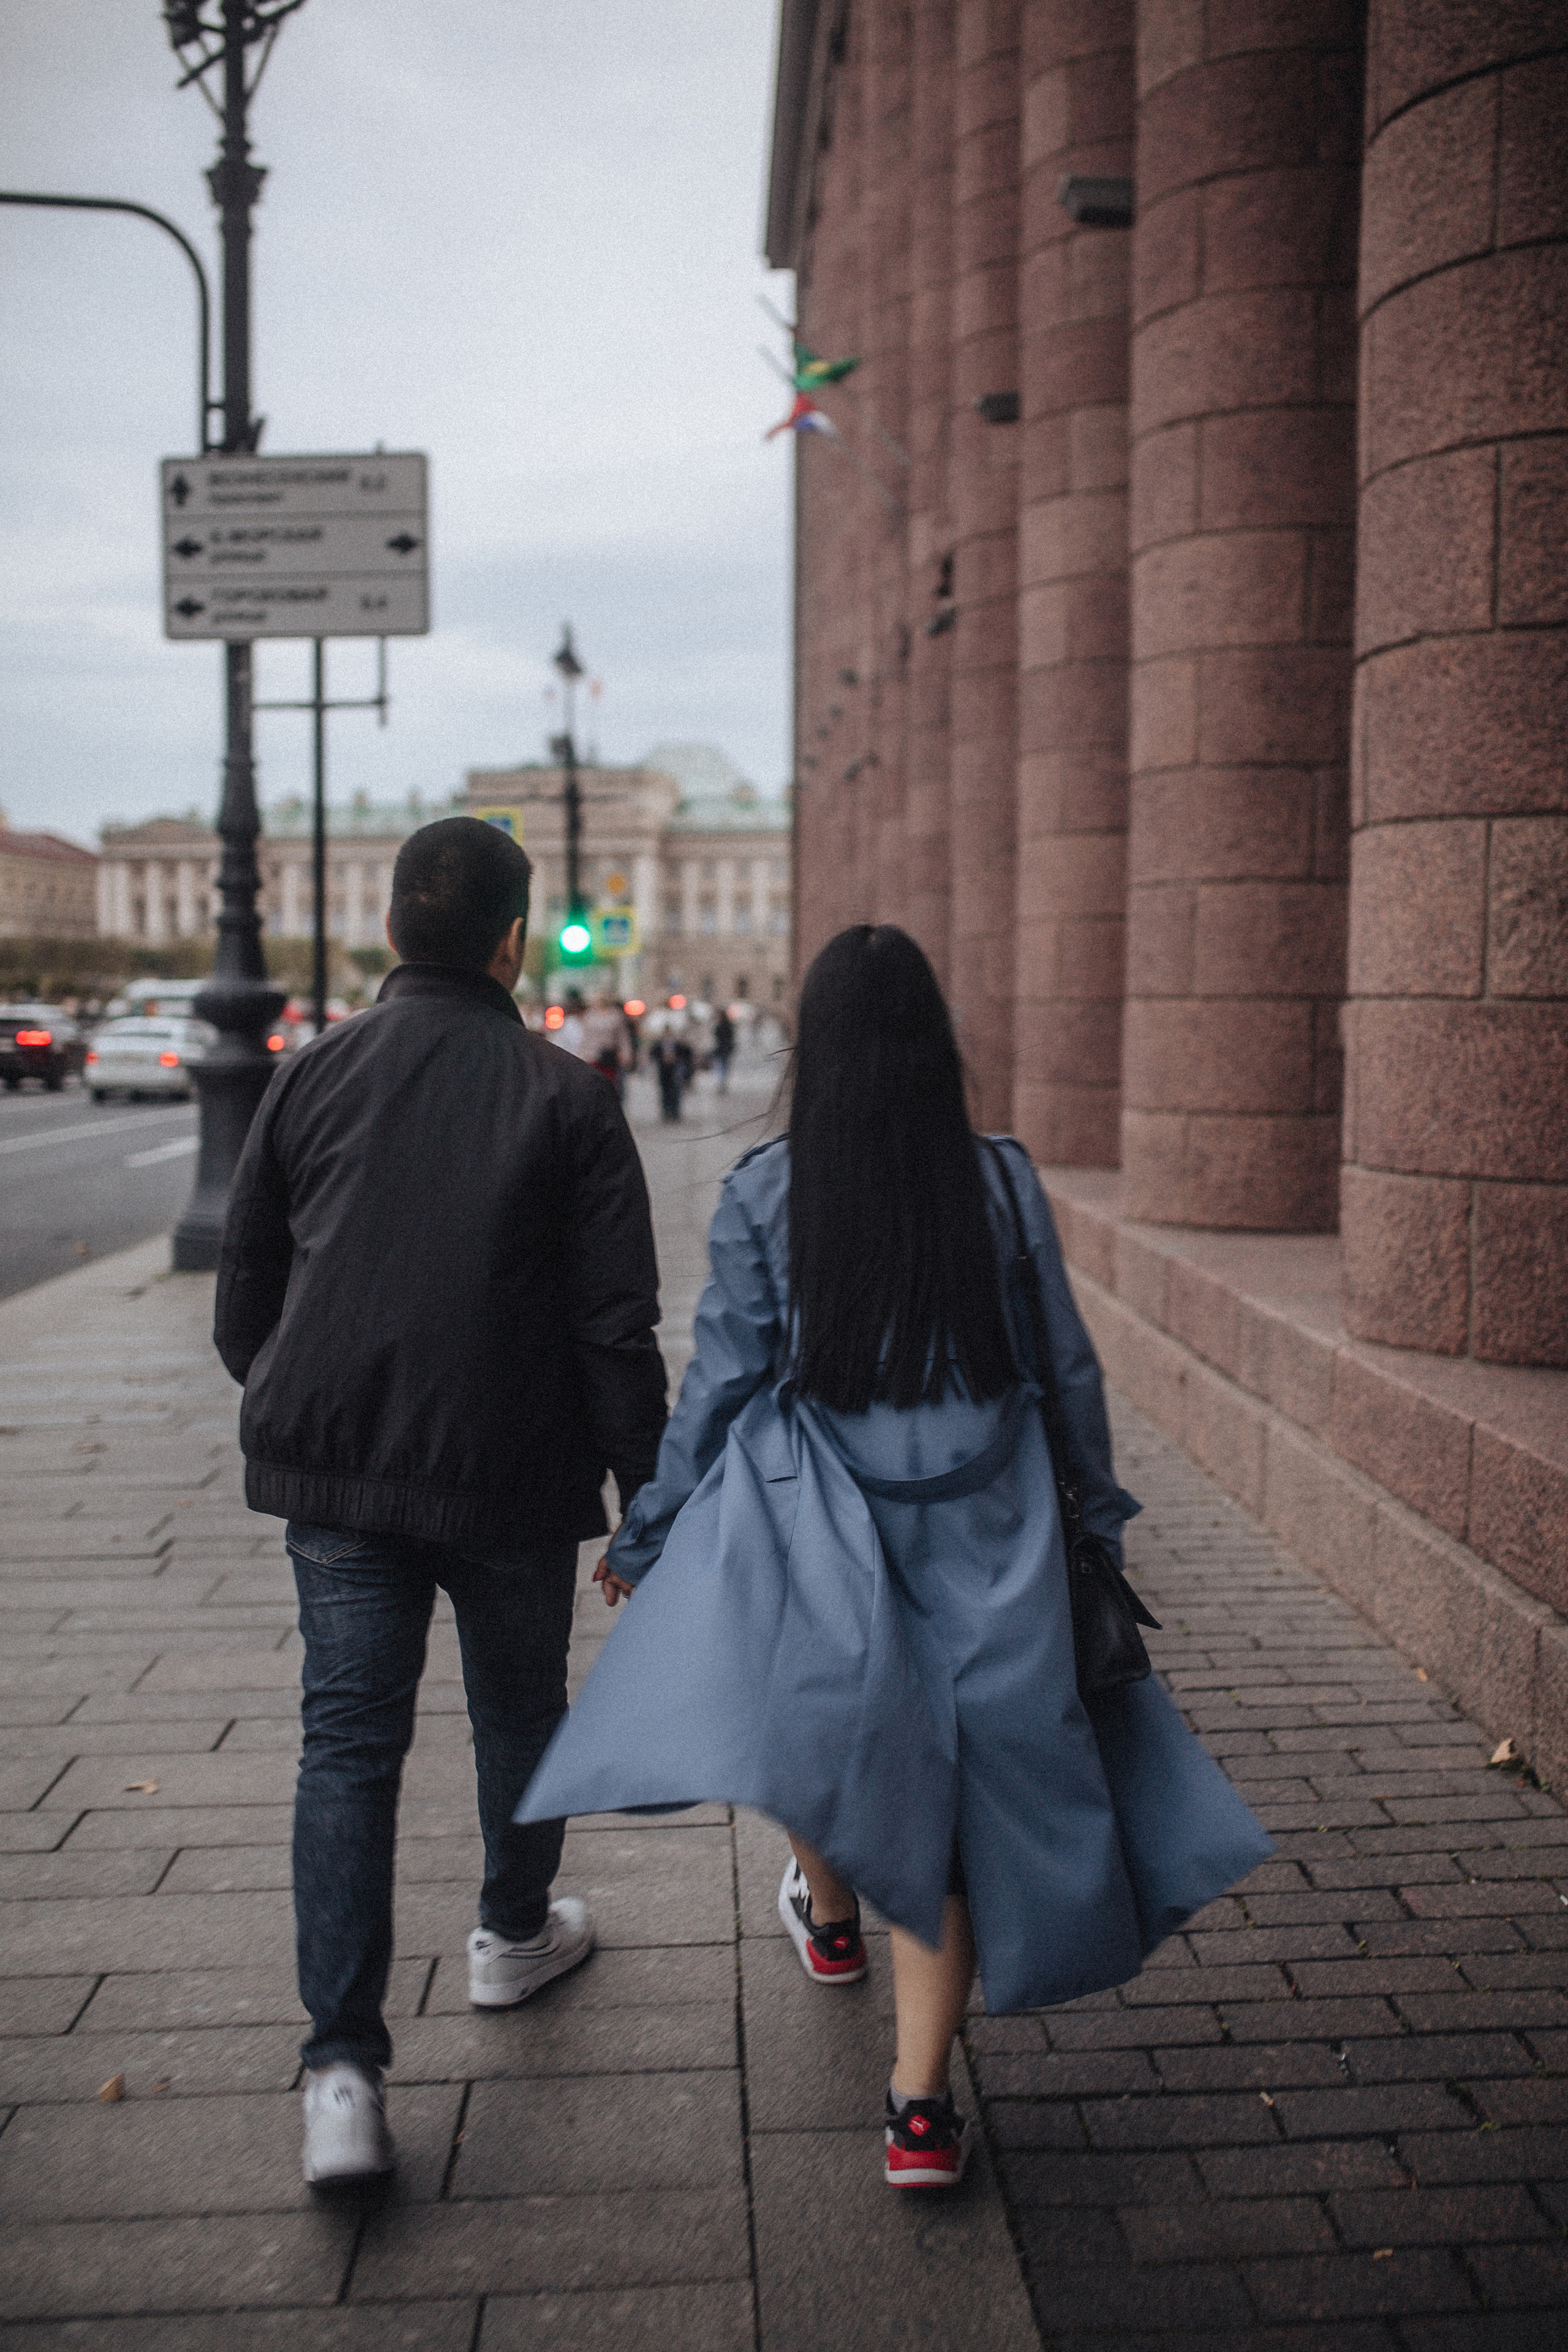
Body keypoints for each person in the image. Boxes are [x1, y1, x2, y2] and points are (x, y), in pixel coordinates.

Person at [519, 923, 1270, 2193]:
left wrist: (647, 1530)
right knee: (960, 1802)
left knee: (820, 1726)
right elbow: (1065, 1370)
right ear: (934, 1048)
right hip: (996, 1531)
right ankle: (919, 2109)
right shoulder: (999, 1182)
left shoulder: (765, 1191)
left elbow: (722, 1388)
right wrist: (1093, 1520)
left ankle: (828, 1914)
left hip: (823, 1528)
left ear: (812, 1051)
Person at [214, 817, 667, 2194]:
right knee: (519, 1712)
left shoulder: (305, 1075)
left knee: (347, 1745)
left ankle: (341, 2077)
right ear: (512, 940)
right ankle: (511, 1935)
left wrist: (312, 1403)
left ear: (390, 929)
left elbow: (244, 1302)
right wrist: (645, 1496)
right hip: (511, 1475)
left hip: (339, 1475)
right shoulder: (570, 1096)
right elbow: (614, 1329)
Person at [650, 1027, 686, 1123]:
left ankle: (675, 1112)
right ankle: (666, 1111)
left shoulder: (678, 1044)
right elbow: (653, 1054)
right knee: (665, 1092)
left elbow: (684, 1054)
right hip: (664, 1071)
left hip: (675, 1071)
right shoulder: (658, 1045)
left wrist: (675, 1059)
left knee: (675, 1092)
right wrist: (662, 1059)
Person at [711, 1004, 736, 1095]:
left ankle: (722, 1083)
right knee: (723, 1067)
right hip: (724, 1049)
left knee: (721, 1067)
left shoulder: (721, 1026)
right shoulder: (728, 1026)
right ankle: (722, 1083)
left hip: (721, 1049)